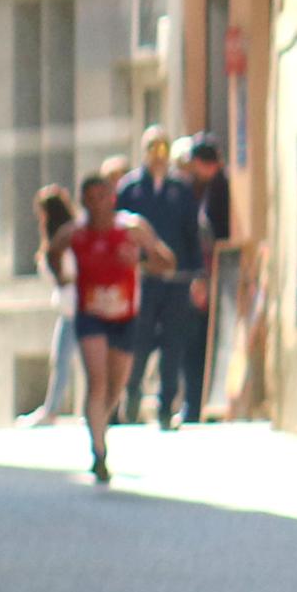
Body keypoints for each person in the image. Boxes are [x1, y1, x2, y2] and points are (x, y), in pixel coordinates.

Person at [47, 160, 175, 487]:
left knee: (116, 386)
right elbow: (53, 250)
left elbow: (167, 261)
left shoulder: (131, 229)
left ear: (112, 198)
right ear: (83, 202)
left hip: (124, 316)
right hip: (90, 315)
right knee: (97, 380)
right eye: (91, 199)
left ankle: (99, 426)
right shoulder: (74, 233)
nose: (98, 205)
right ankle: (98, 451)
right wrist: (61, 276)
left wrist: (140, 260)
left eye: (103, 197)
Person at [123, 132, 212, 432]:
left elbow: (191, 233)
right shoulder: (131, 189)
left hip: (176, 279)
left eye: (163, 148)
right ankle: (132, 393)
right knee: (140, 340)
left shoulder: (180, 189)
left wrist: (198, 274)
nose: (158, 155)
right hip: (144, 279)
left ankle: (166, 407)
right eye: (153, 148)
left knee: (173, 343)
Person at [177, 134, 237, 417]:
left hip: (214, 278)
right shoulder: (202, 190)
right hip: (206, 278)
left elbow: (214, 239)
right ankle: (195, 402)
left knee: (198, 343)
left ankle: (197, 403)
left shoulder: (219, 190)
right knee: (194, 342)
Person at [31, 184, 81, 423]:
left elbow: (73, 272)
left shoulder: (73, 237)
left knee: (85, 362)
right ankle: (51, 410)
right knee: (61, 360)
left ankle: (89, 409)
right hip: (67, 309)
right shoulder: (52, 242)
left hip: (80, 307)